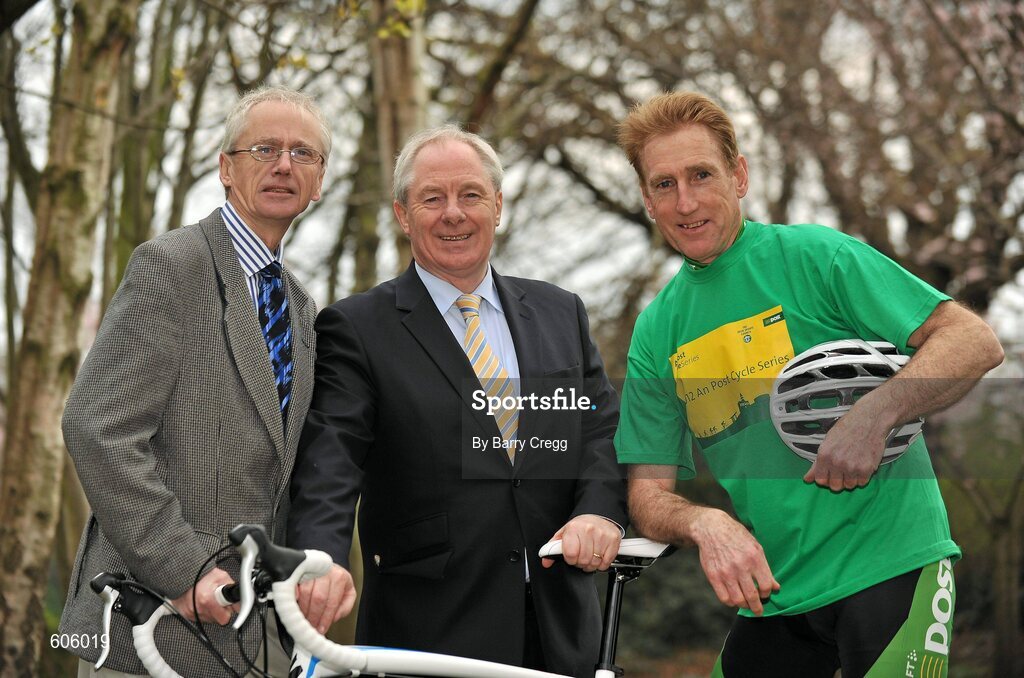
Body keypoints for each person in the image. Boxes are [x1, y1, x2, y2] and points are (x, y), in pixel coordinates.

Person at [613, 92, 1004, 678]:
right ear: (647, 200)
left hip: (892, 566)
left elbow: (972, 341)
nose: (686, 201)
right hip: (776, 596)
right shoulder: (655, 330)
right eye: (664, 184)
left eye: (701, 175)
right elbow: (647, 495)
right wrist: (705, 522)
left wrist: (876, 412)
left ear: (739, 175)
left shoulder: (815, 256)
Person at [286, 124, 627, 678]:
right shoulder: (357, 327)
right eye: (432, 198)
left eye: (470, 195)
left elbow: (596, 431)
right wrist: (317, 561)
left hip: (562, 629)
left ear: (497, 206)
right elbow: (331, 459)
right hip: (427, 633)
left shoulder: (561, 313)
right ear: (402, 214)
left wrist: (597, 510)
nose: (453, 213)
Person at [59, 85, 330, 676]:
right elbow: (96, 426)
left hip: (247, 640)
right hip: (147, 630)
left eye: (303, 154)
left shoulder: (302, 310)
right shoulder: (172, 265)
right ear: (226, 168)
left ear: (320, 180)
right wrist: (183, 569)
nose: (285, 165)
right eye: (265, 149)